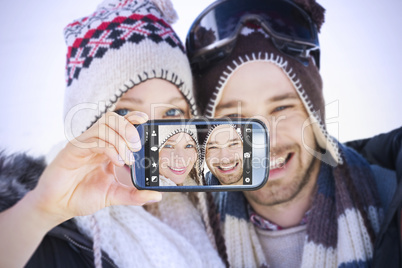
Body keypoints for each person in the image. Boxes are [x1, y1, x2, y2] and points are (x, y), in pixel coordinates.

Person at [0, 0, 227, 267]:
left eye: (171, 115)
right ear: (87, 126)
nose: (156, 139)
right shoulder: (49, 228)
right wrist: (42, 209)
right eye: (126, 114)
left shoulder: (204, 210)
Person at [186, 0, 399, 267]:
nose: (267, 141)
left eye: (282, 108)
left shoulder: (393, 204)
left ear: (314, 111)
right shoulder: (183, 238)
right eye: (234, 119)